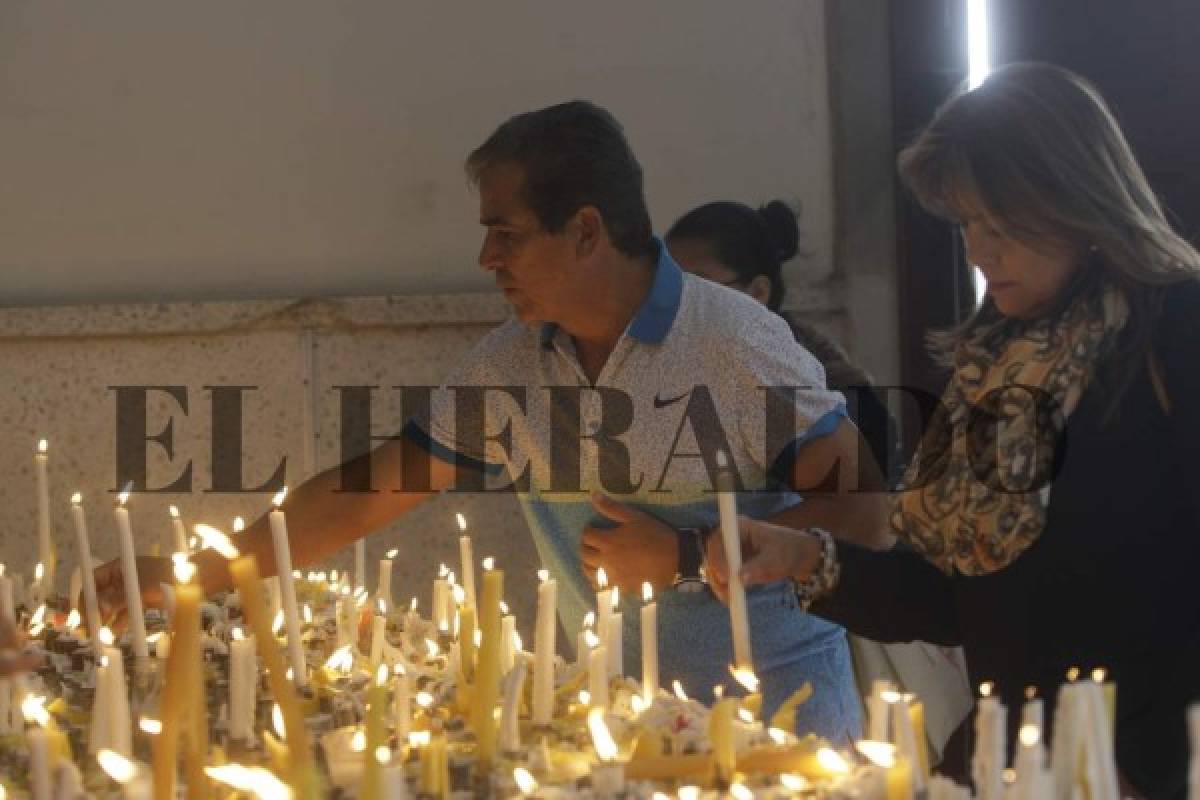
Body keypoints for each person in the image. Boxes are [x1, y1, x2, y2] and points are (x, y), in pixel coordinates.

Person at [96, 100, 890, 741]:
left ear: (585, 230)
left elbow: (864, 511)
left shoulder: (730, 341)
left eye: (505, 233)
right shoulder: (513, 364)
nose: (486, 259)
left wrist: (686, 555)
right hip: (633, 726)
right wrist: (199, 574)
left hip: (778, 730)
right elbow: (369, 492)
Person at [708, 63, 1200, 797]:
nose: (977, 250)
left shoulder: (1174, 330)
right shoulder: (997, 365)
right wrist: (805, 559)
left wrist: (1145, 761)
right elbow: (951, 597)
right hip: (1008, 757)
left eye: (1000, 224)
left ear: (1074, 198)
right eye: (967, 223)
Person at [665, 200, 973, 764]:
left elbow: (868, 514)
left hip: (839, 621)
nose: (682, 307)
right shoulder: (699, 365)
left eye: (703, 288)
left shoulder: (791, 372)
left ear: (757, 292)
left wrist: (687, 551)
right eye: (670, 287)